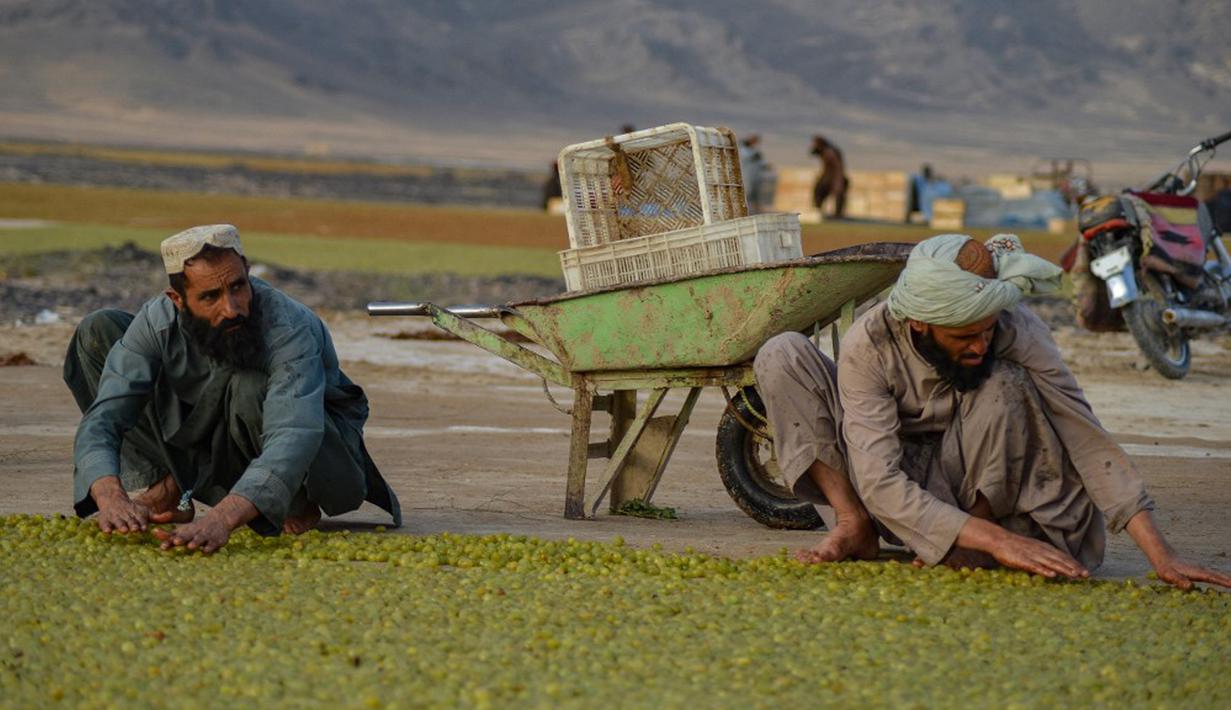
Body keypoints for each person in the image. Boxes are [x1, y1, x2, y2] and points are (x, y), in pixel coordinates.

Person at [753, 233, 1231, 590]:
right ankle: (852, 523)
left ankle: (973, 537)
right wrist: (1001, 544)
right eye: (964, 336)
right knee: (781, 353)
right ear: (920, 324)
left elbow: (1084, 434)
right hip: (895, 490)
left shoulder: (1017, 329)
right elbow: (878, 478)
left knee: (1004, 382)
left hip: (981, 478)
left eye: (987, 331)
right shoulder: (871, 342)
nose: (981, 345)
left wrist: (1161, 555)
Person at [64, 224, 401, 553]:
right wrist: (111, 497)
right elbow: (105, 417)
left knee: (249, 384)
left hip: (320, 457)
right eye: (210, 296)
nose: (232, 308)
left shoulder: (287, 325)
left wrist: (222, 520)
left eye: (238, 286)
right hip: (211, 440)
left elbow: (294, 431)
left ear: (247, 272)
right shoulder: (157, 322)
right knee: (99, 330)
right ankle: (169, 486)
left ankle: (293, 501)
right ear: (177, 299)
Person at [810, 134, 848, 219]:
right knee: (818, 192)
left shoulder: (830, 152)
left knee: (838, 196)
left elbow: (839, 168)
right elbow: (812, 153)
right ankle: (818, 211)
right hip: (827, 177)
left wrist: (839, 182)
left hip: (835, 178)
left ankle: (838, 215)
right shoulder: (823, 151)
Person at [739, 133, 769, 213]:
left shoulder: (755, 151)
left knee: (756, 194)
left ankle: (756, 209)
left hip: (755, 176)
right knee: (747, 192)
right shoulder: (743, 149)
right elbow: (746, 157)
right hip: (747, 176)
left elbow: (761, 163)